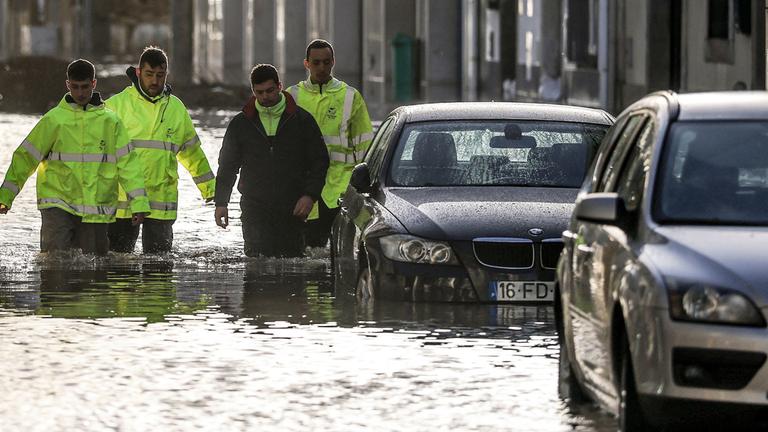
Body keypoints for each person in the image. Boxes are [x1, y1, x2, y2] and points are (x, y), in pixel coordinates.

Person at [0, 59, 149, 255]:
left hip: (96, 208)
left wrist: (138, 203)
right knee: (55, 263)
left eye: (85, 87)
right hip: (57, 204)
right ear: (67, 85)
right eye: (75, 87)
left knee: (93, 271)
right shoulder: (54, 120)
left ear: (94, 84)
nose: (80, 93)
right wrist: (6, 196)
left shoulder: (111, 123)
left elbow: (128, 165)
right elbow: (25, 158)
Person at [105, 46, 216, 253]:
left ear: (166, 74)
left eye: (160, 75)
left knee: (159, 271)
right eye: (149, 75)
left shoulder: (176, 108)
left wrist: (210, 189)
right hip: (123, 202)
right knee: (118, 272)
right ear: (138, 72)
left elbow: (192, 153)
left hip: (161, 202)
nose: (155, 81)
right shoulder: (115, 106)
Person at [214, 64, 329, 257]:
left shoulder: (302, 121)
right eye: (259, 92)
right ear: (253, 91)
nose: (265, 97)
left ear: (280, 86)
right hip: (254, 208)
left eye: (270, 91)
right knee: (256, 266)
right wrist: (221, 203)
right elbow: (227, 167)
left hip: (293, 208)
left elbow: (320, 161)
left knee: (292, 269)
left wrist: (310, 195)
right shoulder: (241, 124)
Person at [287, 39, 374, 248]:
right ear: (306, 64)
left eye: (326, 62)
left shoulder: (350, 96)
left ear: (333, 62)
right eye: (316, 63)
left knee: (340, 253)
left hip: (340, 188)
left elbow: (365, 147)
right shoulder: (292, 96)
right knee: (306, 250)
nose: (321, 68)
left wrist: (366, 188)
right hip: (304, 188)